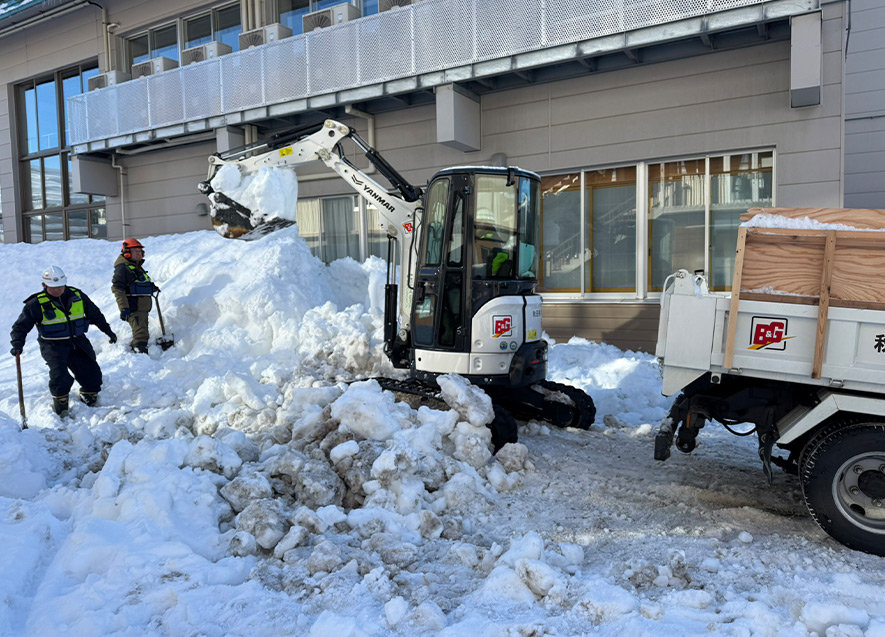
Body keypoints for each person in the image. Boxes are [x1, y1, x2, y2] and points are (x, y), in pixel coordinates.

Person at [10, 265, 117, 415]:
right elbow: (20, 327)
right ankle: (61, 407)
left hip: (78, 341)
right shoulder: (36, 304)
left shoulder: (77, 296)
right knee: (59, 375)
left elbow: (95, 314)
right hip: (52, 345)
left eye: (60, 286)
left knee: (91, 372)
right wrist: (17, 344)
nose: (56, 290)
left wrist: (108, 331)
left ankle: (89, 398)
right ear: (44, 285)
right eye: (52, 287)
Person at [112, 238, 159, 353]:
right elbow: (117, 289)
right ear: (127, 253)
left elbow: (138, 283)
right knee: (140, 335)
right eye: (136, 251)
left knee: (142, 332)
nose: (139, 254)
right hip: (134, 308)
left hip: (142, 308)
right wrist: (124, 308)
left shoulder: (135, 267)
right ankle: (140, 353)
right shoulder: (123, 269)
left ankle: (137, 351)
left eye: (140, 251)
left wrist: (152, 287)